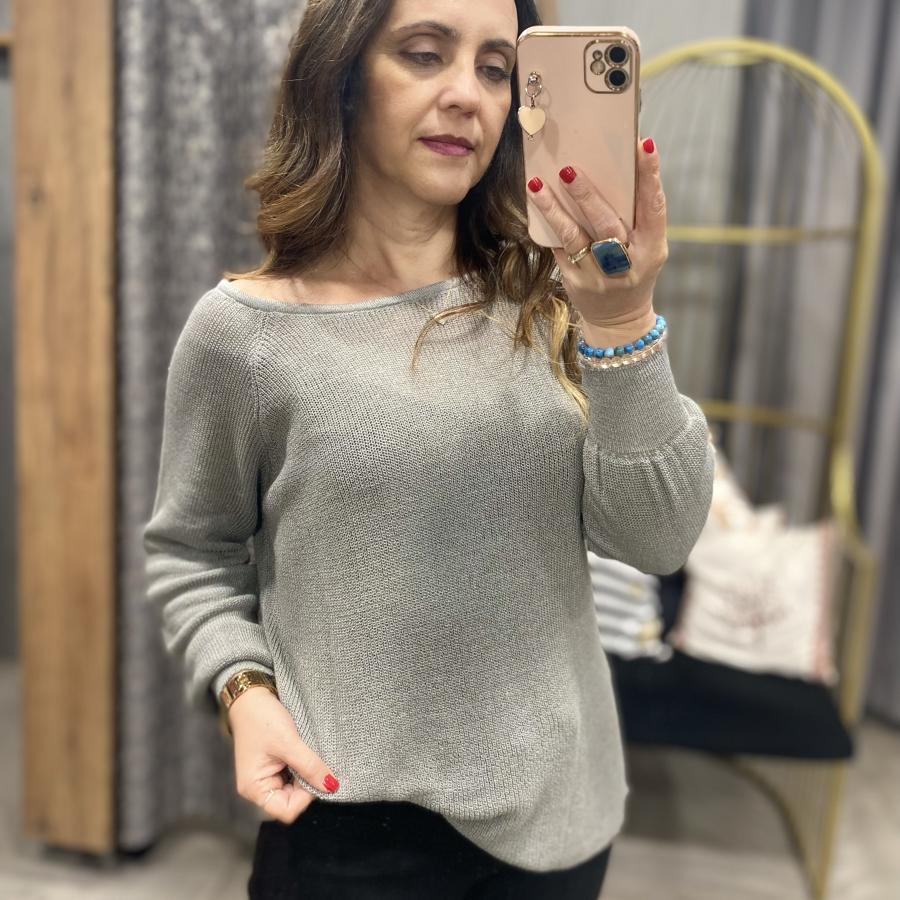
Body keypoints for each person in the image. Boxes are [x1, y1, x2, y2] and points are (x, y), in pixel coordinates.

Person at [142, 0, 716, 897]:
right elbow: (191, 552)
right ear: (341, 78)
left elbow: (658, 538)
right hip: (351, 825)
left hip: (561, 817)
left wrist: (623, 318)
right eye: (423, 53)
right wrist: (241, 690)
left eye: (496, 69)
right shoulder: (244, 337)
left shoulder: (553, 295)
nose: (468, 96)